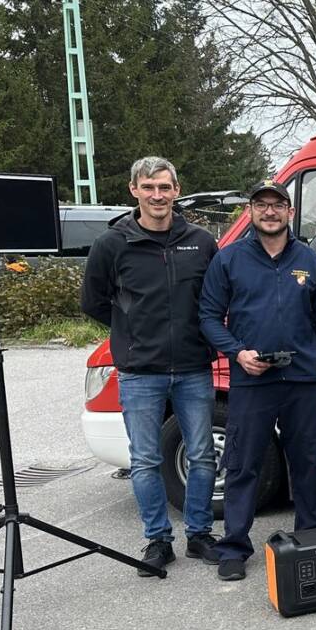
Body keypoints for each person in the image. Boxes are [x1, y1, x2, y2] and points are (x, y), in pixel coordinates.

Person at [81, 155, 220, 568]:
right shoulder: (112, 244)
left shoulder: (200, 241)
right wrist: (133, 331)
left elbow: (214, 299)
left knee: (202, 455)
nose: (157, 195)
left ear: (176, 191)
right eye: (149, 187)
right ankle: (158, 539)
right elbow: (93, 301)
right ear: (134, 190)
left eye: (164, 187)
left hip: (194, 367)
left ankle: (199, 534)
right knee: (145, 460)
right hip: (140, 371)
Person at [198, 181, 316, 582]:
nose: (270, 212)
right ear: (253, 211)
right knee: (243, 464)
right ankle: (234, 547)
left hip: (303, 380)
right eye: (262, 205)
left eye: (278, 205)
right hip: (252, 381)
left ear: (289, 212)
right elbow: (208, 315)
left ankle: (311, 533)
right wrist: (238, 352)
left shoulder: (310, 261)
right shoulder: (229, 260)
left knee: (307, 461)